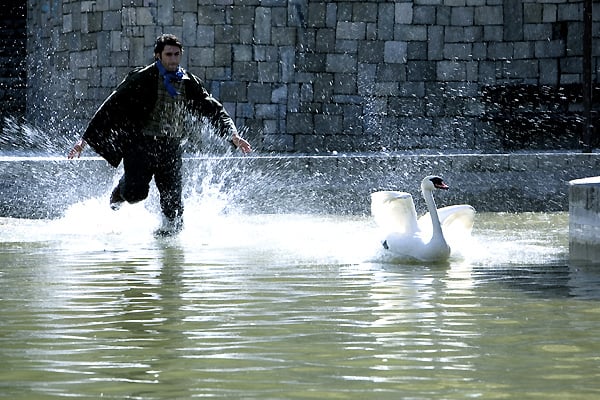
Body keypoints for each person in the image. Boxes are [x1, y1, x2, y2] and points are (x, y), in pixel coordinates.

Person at [68, 34, 251, 235]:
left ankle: (168, 246)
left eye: (177, 54)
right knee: (134, 194)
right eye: (169, 55)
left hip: (170, 147)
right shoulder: (143, 77)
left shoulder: (188, 81)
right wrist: (83, 142)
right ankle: (122, 188)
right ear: (158, 56)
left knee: (173, 206)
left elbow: (213, 108)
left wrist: (232, 134)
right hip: (140, 146)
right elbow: (111, 106)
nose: (173, 59)